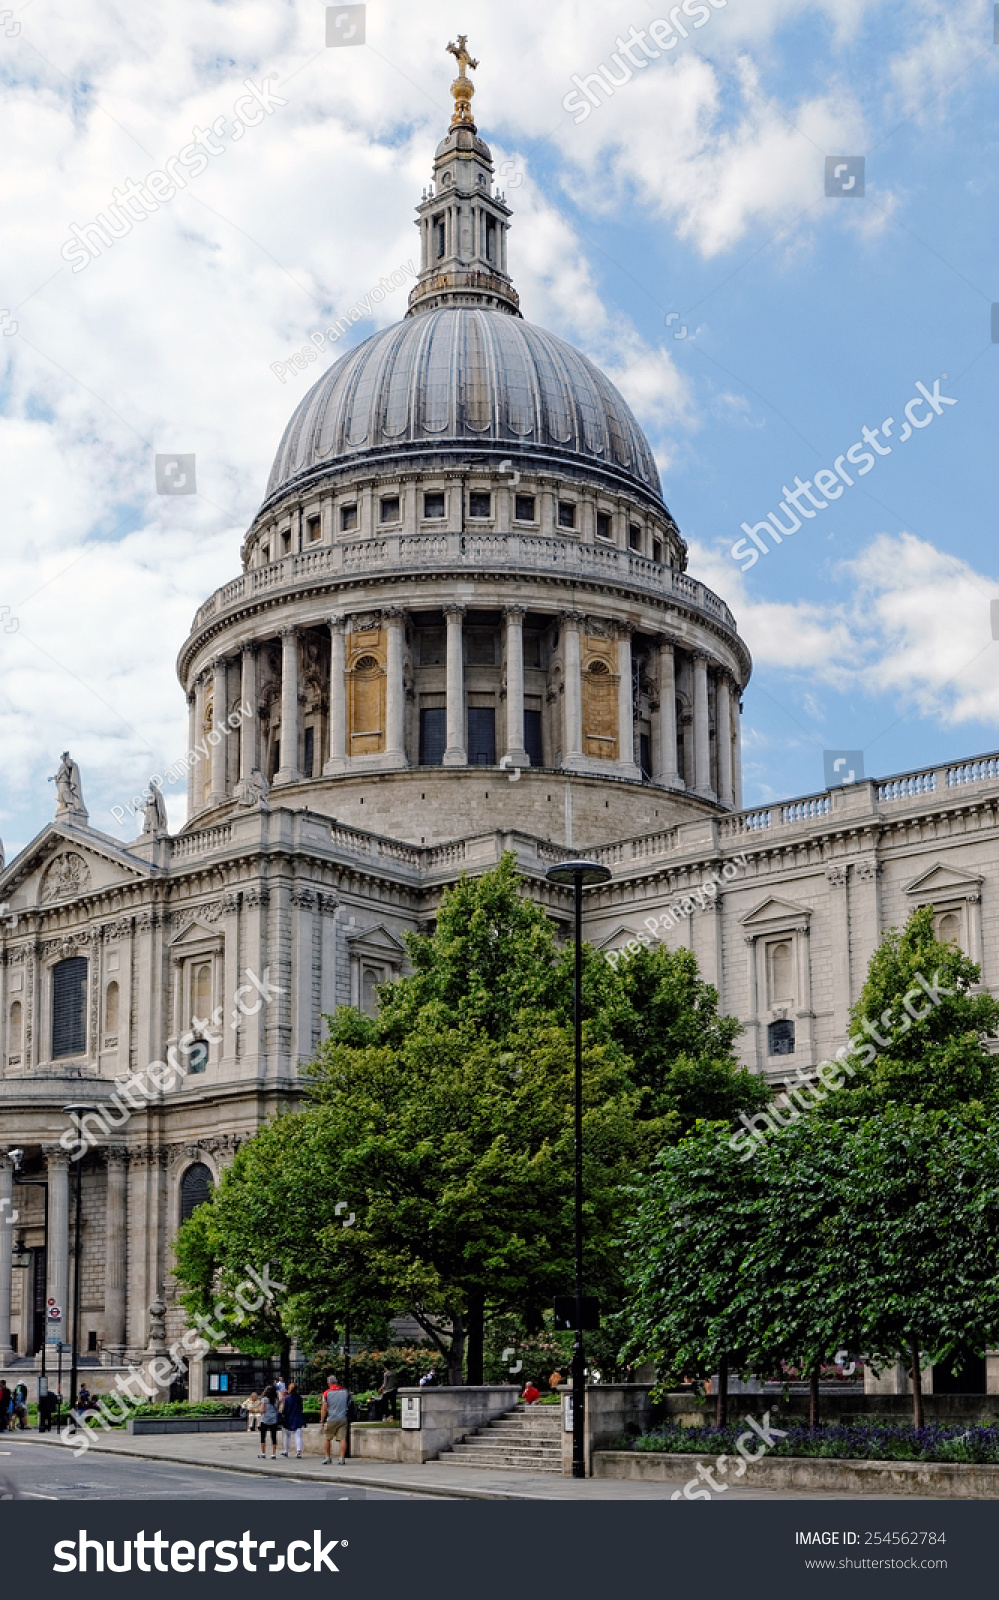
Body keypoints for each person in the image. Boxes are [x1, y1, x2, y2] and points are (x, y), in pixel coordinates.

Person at [320, 1372, 350, 1466]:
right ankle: (341, 1458)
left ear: (329, 1383)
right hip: (343, 1418)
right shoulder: (345, 1392)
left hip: (331, 1418)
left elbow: (324, 1408)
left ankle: (328, 1457)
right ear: (336, 1382)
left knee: (327, 1438)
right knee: (342, 1439)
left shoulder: (326, 1393)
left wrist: (322, 1420)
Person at [281, 1382, 305, 1458]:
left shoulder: (287, 1398)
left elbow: (284, 1409)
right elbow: (301, 1408)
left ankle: (286, 1451)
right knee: (298, 1436)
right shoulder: (299, 1398)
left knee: (287, 1435)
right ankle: (298, 1451)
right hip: (298, 1417)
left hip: (289, 1418)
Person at [258, 1385, 280, 1459]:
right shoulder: (276, 1400)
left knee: (263, 1437)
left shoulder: (264, 1400)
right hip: (274, 1420)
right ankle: (273, 1454)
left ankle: (263, 1453)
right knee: (273, 1437)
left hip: (265, 1419)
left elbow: (262, 1410)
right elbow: (277, 1409)